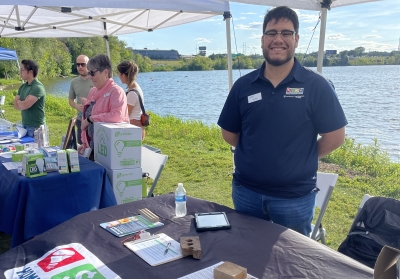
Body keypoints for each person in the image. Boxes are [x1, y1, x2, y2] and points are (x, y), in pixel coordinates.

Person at [217, 6, 347, 236]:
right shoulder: (243, 86)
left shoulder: (316, 85)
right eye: (272, 33)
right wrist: (257, 152)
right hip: (246, 193)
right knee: (248, 255)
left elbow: (335, 136)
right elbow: (229, 133)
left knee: (291, 265)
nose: (278, 39)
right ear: (262, 40)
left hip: (294, 198)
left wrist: (300, 155)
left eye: (286, 33)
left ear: (296, 39)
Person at [78, 54, 129, 160]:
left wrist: (91, 119)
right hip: (91, 149)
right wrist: (84, 143)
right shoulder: (93, 91)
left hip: (110, 152)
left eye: (92, 73)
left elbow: (116, 116)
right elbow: (85, 119)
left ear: (105, 72)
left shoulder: (116, 92)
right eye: (89, 73)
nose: (90, 77)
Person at [13, 59, 46, 137]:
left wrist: (20, 102)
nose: (20, 73)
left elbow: (25, 106)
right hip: (24, 126)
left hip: (36, 128)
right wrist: (21, 103)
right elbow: (15, 105)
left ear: (30, 72)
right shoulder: (23, 87)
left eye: (22, 70)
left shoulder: (37, 87)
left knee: (37, 149)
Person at [117, 60, 146, 140]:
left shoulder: (132, 93)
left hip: (133, 126)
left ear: (123, 75)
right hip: (136, 125)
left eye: (119, 73)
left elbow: (125, 114)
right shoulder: (134, 88)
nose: (118, 76)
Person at [68, 54, 93, 144]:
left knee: (94, 150)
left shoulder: (94, 79)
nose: (80, 67)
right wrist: (77, 106)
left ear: (89, 65)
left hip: (94, 120)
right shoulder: (74, 82)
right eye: (78, 64)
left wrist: (89, 103)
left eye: (83, 64)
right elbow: (70, 100)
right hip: (80, 120)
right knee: (81, 148)